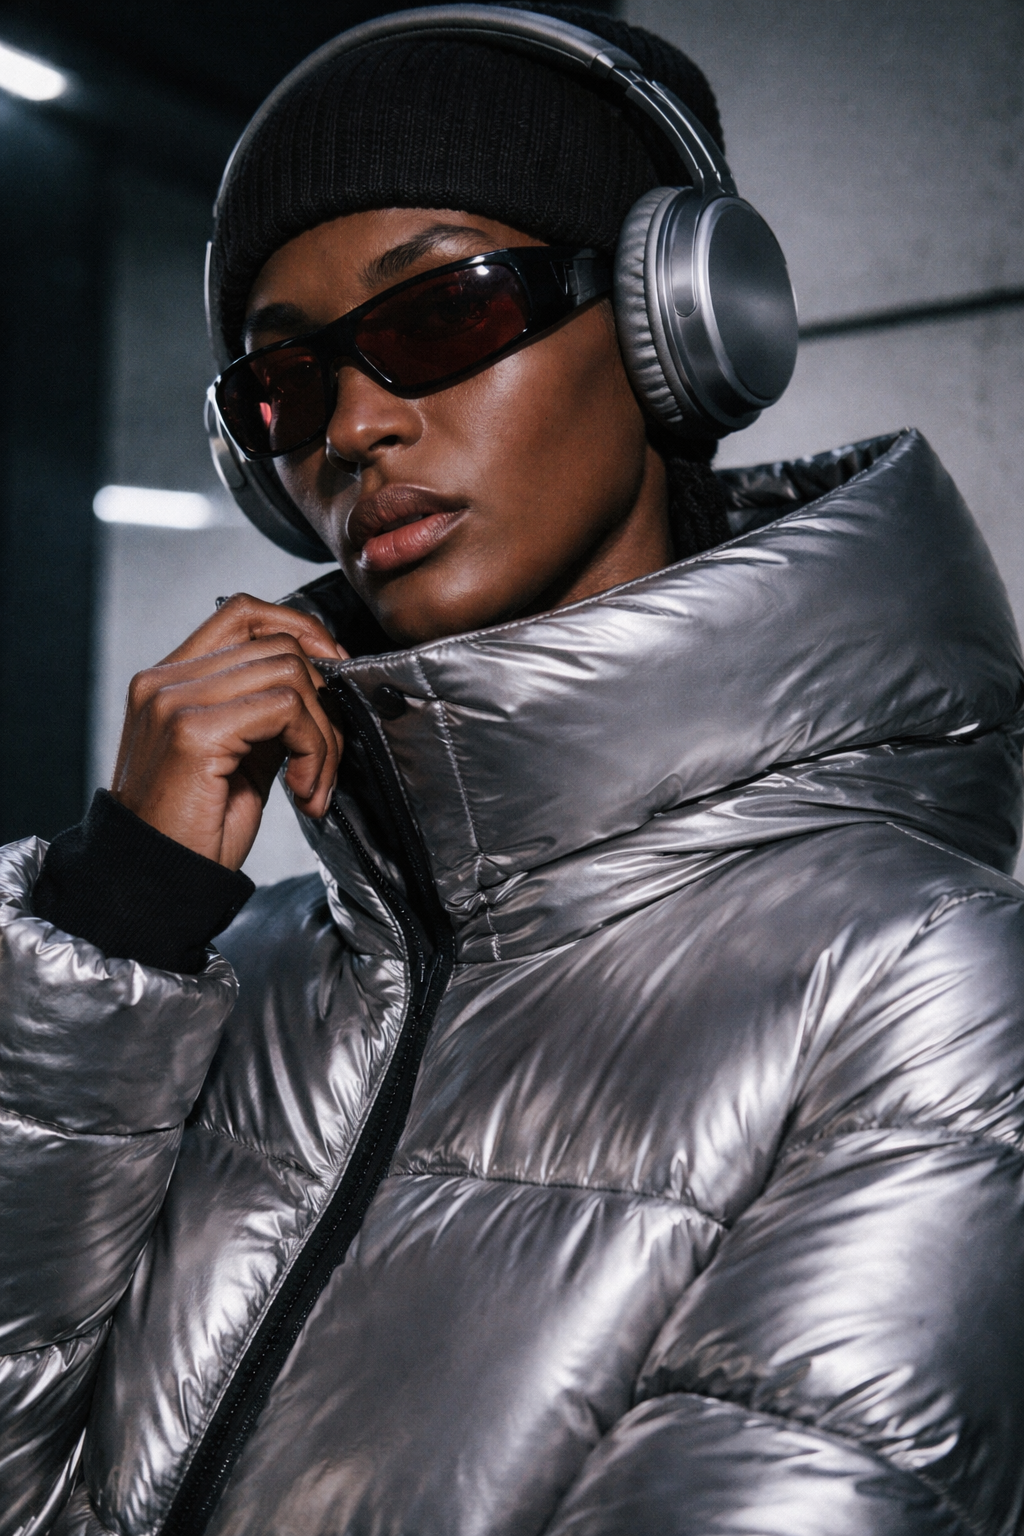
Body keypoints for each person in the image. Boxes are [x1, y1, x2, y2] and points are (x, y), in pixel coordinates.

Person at [2, 5, 1023, 1534]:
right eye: (288, 386)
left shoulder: (924, 984)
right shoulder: (237, 979)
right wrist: (118, 924)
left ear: (678, 324)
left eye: (442, 314)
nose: (355, 426)